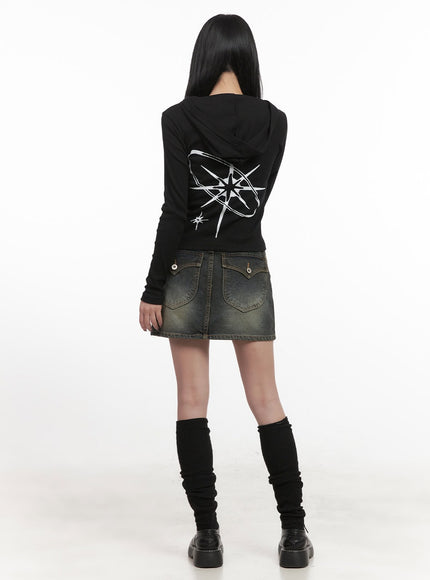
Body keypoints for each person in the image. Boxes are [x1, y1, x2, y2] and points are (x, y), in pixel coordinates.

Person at [138, 13, 314, 569]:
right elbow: (256, 203)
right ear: (247, 58)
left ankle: (208, 537)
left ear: (205, 57)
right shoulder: (275, 122)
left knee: (192, 401)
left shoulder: (178, 118)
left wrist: (153, 287)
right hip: (246, 269)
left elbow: (175, 209)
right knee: (267, 401)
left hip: (186, 269)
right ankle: (294, 535)